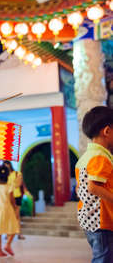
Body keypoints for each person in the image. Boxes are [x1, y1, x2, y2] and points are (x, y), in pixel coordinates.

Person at [75, 106, 113, 263]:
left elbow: (80, 188)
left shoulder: (86, 156)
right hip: (100, 221)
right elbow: (93, 186)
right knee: (103, 258)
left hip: (90, 219)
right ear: (107, 131)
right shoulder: (100, 157)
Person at [4, 160, 25, 240]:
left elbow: (18, 184)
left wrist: (10, 185)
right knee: (8, 216)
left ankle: (19, 233)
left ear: (10, 165)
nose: (6, 167)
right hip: (8, 197)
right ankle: (8, 234)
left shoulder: (17, 173)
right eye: (5, 165)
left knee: (17, 216)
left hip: (17, 196)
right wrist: (13, 184)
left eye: (7, 165)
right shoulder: (4, 176)